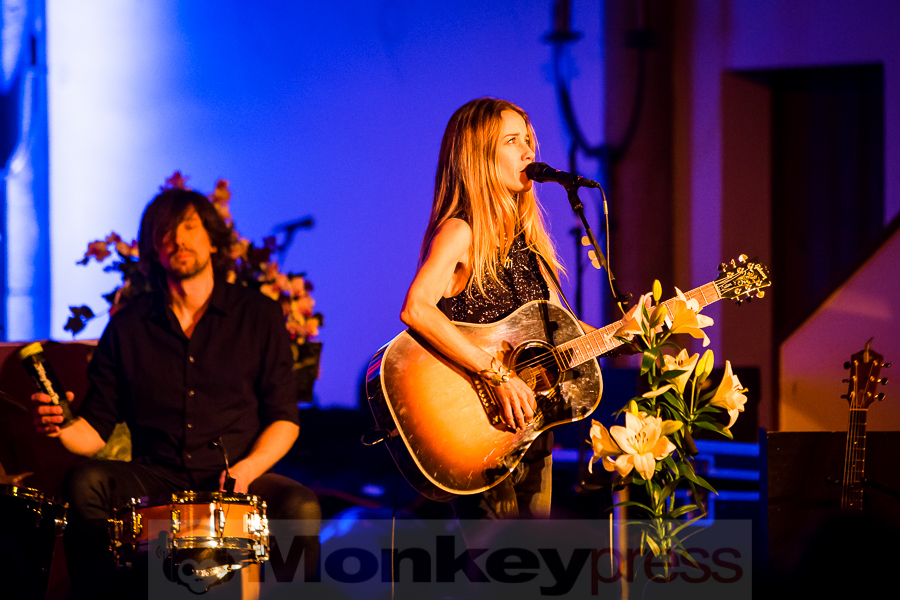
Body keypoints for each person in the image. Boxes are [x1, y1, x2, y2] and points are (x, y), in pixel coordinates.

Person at [31, 187, 320, 597]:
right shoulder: (128, 325)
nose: (178, 240)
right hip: (156, 477)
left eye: (188, 228)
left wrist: (247, 469)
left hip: (236, 476)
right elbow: (94, 431)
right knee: (84, 480)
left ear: (212, 239)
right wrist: (61, 423)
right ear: (153, 247)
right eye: (165, 232)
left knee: (300, 507)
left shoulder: (258, 313)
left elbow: (284, 418)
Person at [400, 97, 572, 519]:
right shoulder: (461, 231)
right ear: (478, 156)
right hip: (477, 421)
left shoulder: (528, 244)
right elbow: (417, 308)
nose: (529, 152)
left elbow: (557, 326)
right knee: (500, 572)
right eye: (513, 141)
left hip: (531, 422)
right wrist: (495, 374)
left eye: (528, 140)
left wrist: (627, 331)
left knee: (531, 569)